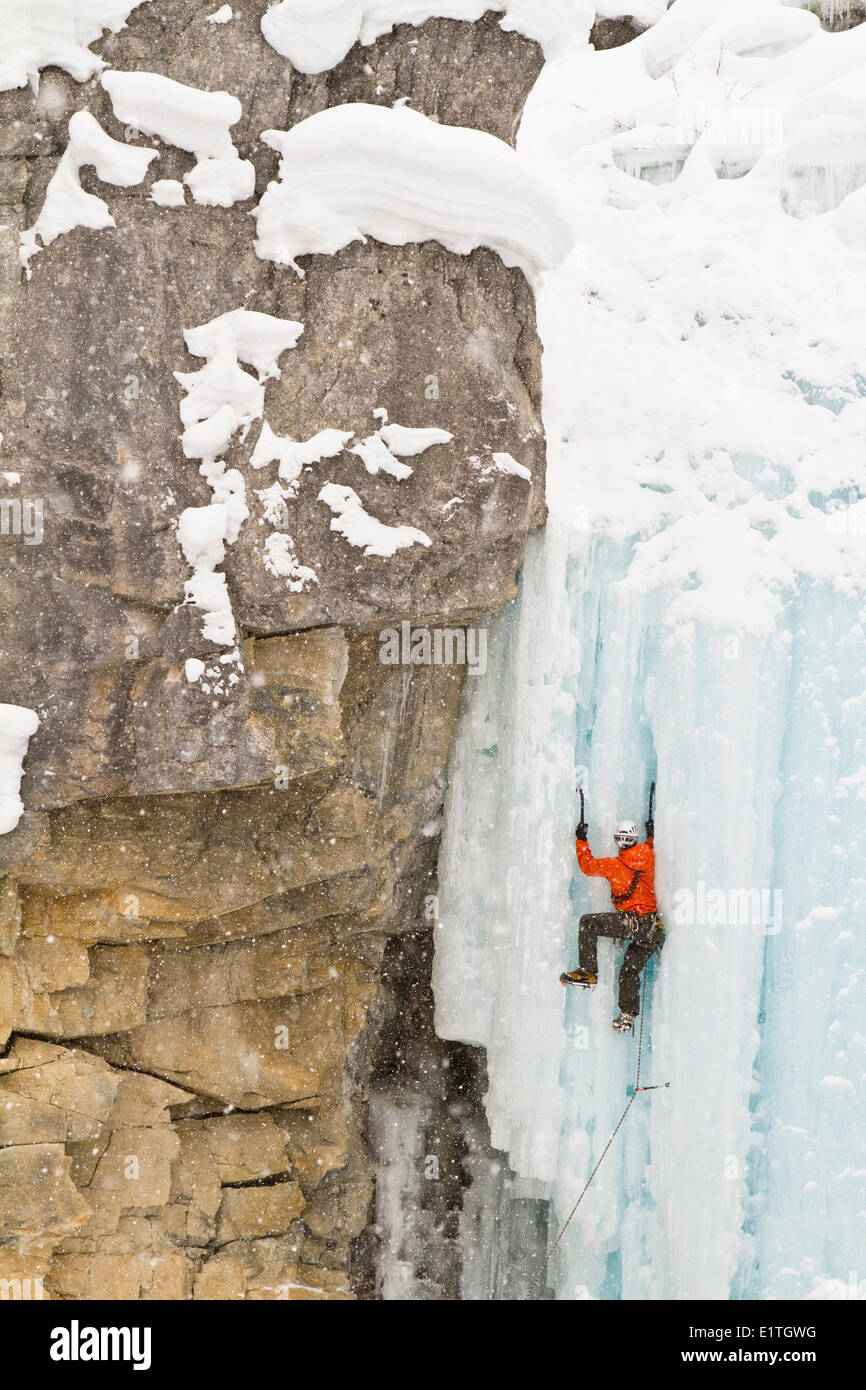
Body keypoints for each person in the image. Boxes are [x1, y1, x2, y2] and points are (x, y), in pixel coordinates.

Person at [560, 808, 664, 1033]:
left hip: (631, 923)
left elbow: (588, 866)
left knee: (589, 922)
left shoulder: (613, 865)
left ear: (617, 840)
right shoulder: (649, 855)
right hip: (651, 930)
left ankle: (588, 971)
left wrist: (581, 840)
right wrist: (652, 835)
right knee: (629, 970)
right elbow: (651, 846)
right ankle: (627, 1014)